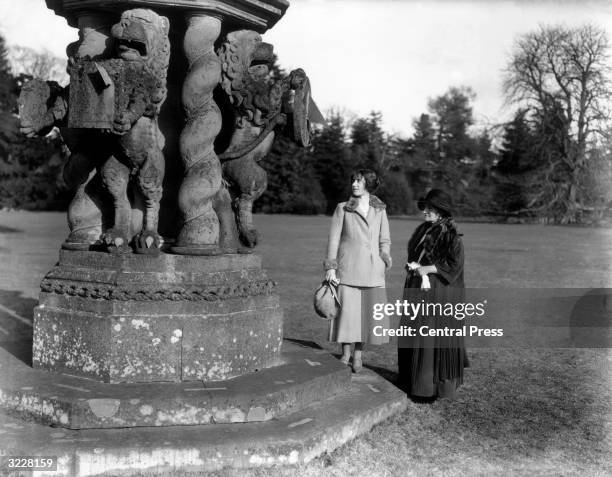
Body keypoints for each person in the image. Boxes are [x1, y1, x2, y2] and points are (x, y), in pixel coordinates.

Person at [398, 188, 468, 399]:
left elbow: (454, 265)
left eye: (429, 208)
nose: (425, 211)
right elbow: (419, 254)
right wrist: (413, 266)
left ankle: (429, 387)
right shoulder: (425, 230)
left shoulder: (450, 234)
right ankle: (412, 380)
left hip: (439, 293)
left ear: (440, 211)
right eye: (425, 207)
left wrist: (427, 269)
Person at [324, 169, 392, 373]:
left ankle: (359, 355)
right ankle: (345, 353)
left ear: (368, 184)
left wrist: (384, 258)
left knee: (367, 317)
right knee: (347, 315)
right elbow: (334, 239)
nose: (354, 184)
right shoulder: (342, 208)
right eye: (353, 180)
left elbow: (385, 239)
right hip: (347, 269)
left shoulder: (380, 209)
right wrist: (331, 267)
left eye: (359, 181)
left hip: (373, 271)